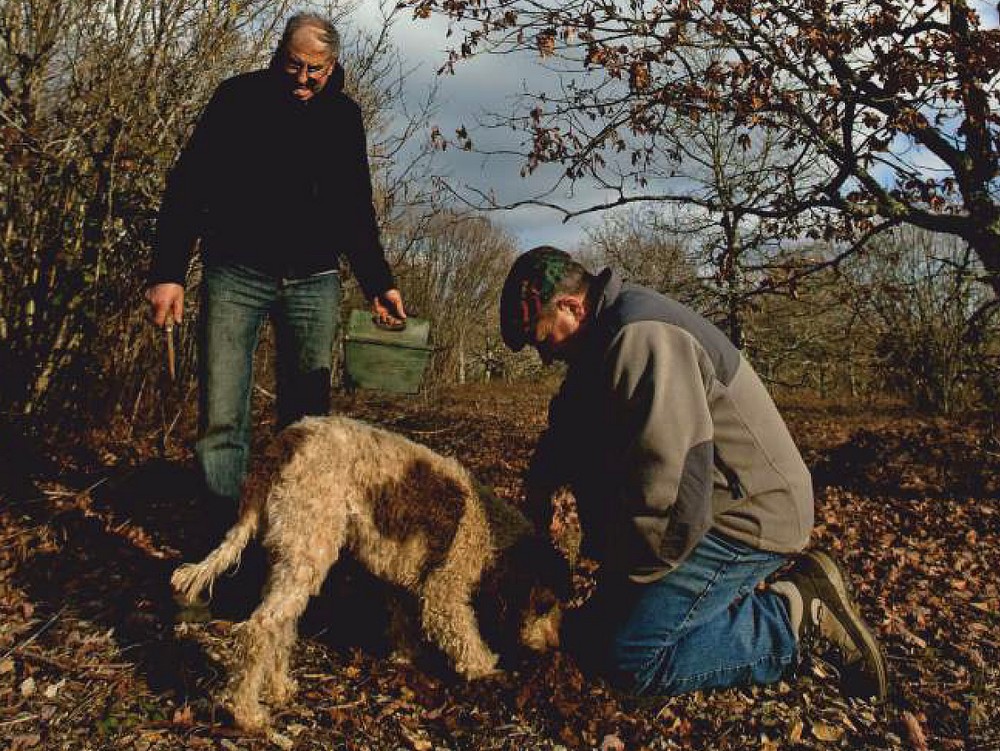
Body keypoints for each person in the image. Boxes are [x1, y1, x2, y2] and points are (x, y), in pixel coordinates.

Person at [499, 246, 888, 700]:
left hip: (746, 512)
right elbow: (570, 427)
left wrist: (625, 582)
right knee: (595, 632)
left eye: (544, 339)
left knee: (630, 656)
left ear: (571, 306)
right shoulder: (599, 343)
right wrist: (538, 494)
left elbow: (673, 486)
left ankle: (794, 618)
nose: (546, 356)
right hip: (710, 507)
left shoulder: (641, 336)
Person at [146, 13, 406, 526]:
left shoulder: (344, 118)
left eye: (317, 70)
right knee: (222, 417)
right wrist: (167, 272)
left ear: (333, 66)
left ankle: (289, 539)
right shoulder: (236, 100)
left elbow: (356, 210)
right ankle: (223, 538)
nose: (305, 79)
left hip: (314, 281)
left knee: (307, 423)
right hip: (235, 274)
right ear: (278, 54)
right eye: (295, 66)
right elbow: (188, 187)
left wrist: (380, 283)